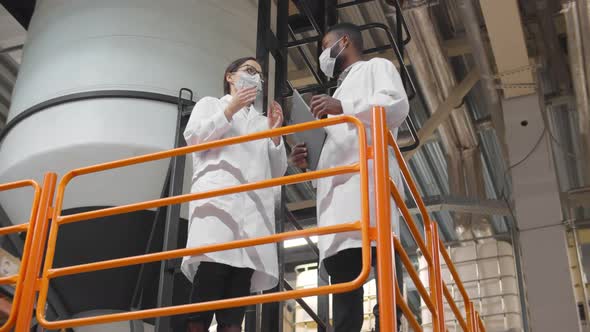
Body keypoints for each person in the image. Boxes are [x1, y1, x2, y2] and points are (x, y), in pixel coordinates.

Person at [289, 23, 409, 332]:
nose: (322, 57)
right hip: (338, 204)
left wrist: (343, 106)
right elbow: (336, 147)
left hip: (368, 191)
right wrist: (308, 161)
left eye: (325, 46)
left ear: (344, 42)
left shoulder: (375, 68)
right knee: (344, 296)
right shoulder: (338, 93)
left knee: (384, 279)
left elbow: (396, 105)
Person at [182, 57, 288, 332]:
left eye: (260, 75)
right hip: (218, 210)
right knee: (206, 291)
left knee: (235, 307)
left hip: (253, 220)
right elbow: (193, 138)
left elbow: (277, 171)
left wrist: (276, 137)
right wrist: (230, 109)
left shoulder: (264, 122)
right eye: (249, 71)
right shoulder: (210, 105)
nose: (256, 78)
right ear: (230, 76)